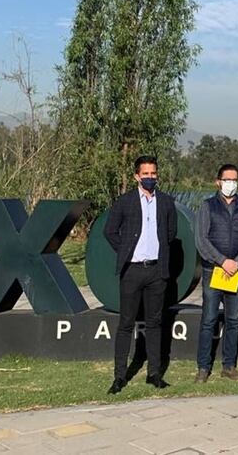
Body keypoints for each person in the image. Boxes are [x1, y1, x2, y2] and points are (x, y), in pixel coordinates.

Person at [104, 155, 178, 394]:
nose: (150, 178)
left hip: (156, 271)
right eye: (145, 174)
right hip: (132, 270)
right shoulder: (124, 202)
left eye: (153, 174)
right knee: (126, 324)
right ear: (137, 176)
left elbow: (170, 233)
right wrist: (126, 251)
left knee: (155, 323)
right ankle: (119, 377)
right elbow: (110, 231)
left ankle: (154, 374)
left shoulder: (166, 202)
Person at [194, 163, 238, 383]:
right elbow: (201, 240)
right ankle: (203, 367)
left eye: (235, 180)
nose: (231, 183)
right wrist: (222, 261)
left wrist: (237, 261)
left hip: (236, 273)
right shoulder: (207, 206)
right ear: (218, 182)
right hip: (213, 271)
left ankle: (229, 366)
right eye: (227, 179)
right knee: (209, 319)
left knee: (233, 320)